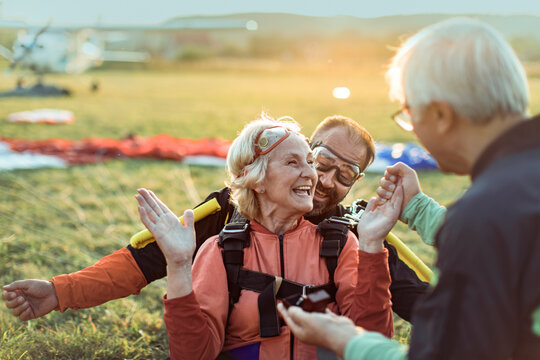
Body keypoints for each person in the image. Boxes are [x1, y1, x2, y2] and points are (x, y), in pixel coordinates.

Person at [278, 17, 540, 359]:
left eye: (408, 113)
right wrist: (416, 207)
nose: (412, 129)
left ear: (442, 115)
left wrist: (348, 342)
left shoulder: (483, 215)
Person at [2, 115, 430, 324]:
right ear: (302, 153)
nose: (324, 180)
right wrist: (59, 292)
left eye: (346, 174)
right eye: (321, 162)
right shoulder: (231, 211)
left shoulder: (357, 234)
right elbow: (141, 262)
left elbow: (422, 302)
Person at [135, 116, 396, 358]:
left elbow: (372, 343)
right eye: (293, 162)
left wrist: (372, 245)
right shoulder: (223, 251)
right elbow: (196, 354)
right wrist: (179, 266)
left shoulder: (340, 245)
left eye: (309, 161)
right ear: (256, 179)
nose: (311, 174)